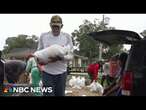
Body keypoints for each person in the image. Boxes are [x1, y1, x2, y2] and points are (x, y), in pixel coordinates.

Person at [37, 15, 73, 96]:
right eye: (53, 25)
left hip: (62, 73)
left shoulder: (67, 36)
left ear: (62, 26)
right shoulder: (44, 36)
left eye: (57, 25)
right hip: (47, 73)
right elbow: (38, 53)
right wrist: (39, 65)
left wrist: (60, 57)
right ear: (50, 25)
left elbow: (71, 55)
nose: (55, 28)